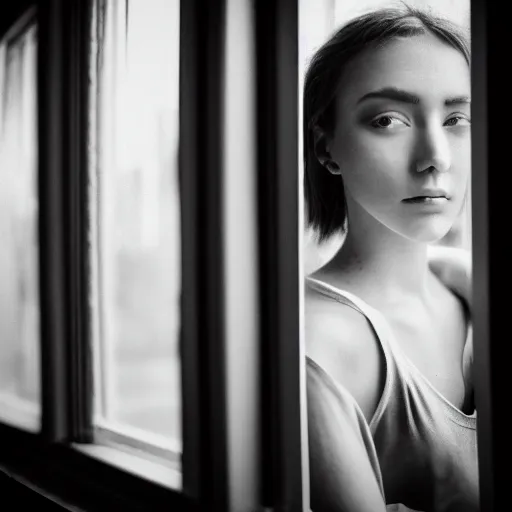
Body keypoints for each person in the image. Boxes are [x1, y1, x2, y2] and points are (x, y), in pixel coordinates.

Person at [303, 6, 476, 512]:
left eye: (456, 118)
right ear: (326, 147)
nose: (435, 157)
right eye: (388, 119)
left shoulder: (465, 290)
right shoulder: (318, 346)